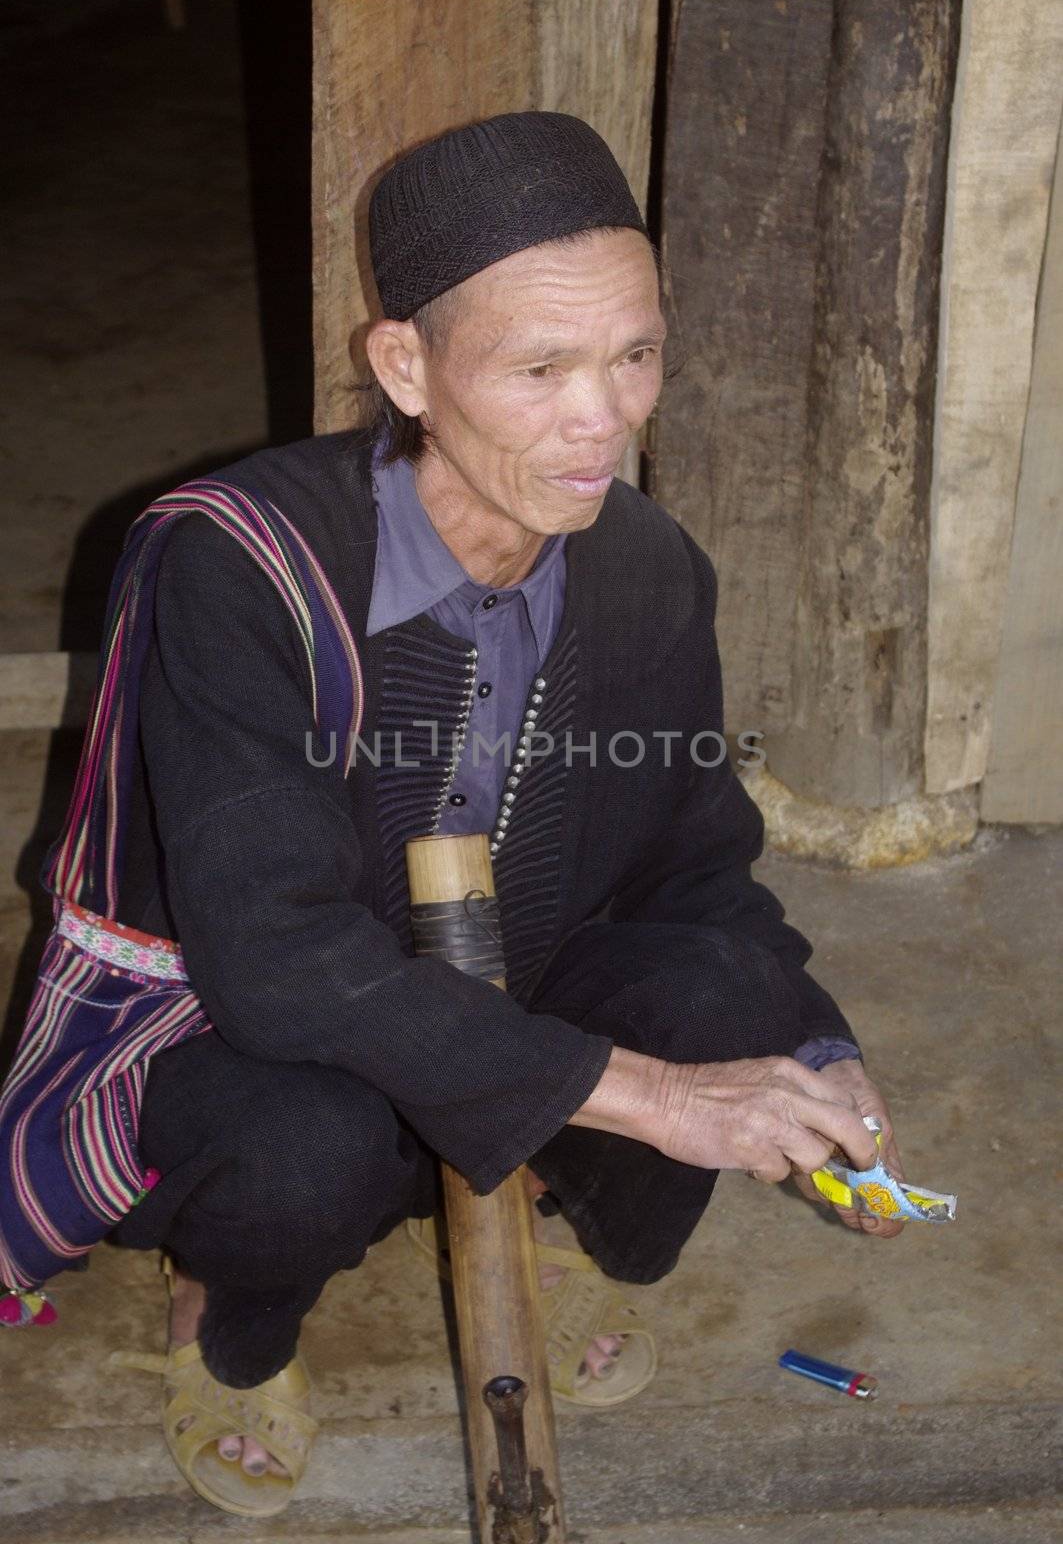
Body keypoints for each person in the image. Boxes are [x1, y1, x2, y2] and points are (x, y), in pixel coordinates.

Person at [108, 111, 903, 1515]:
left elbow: (701, 869)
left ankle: (560, 1200)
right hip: (256, 1023)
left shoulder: (647, 571)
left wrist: (814, 1050)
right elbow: (276, 960)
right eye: (541, 369)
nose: (605, 419)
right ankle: (226, 1324)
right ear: (406, 365)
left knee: (725, 994)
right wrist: (653, 1098)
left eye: (636, 353)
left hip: (510, 981)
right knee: (310, 1150)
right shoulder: (246, 569)